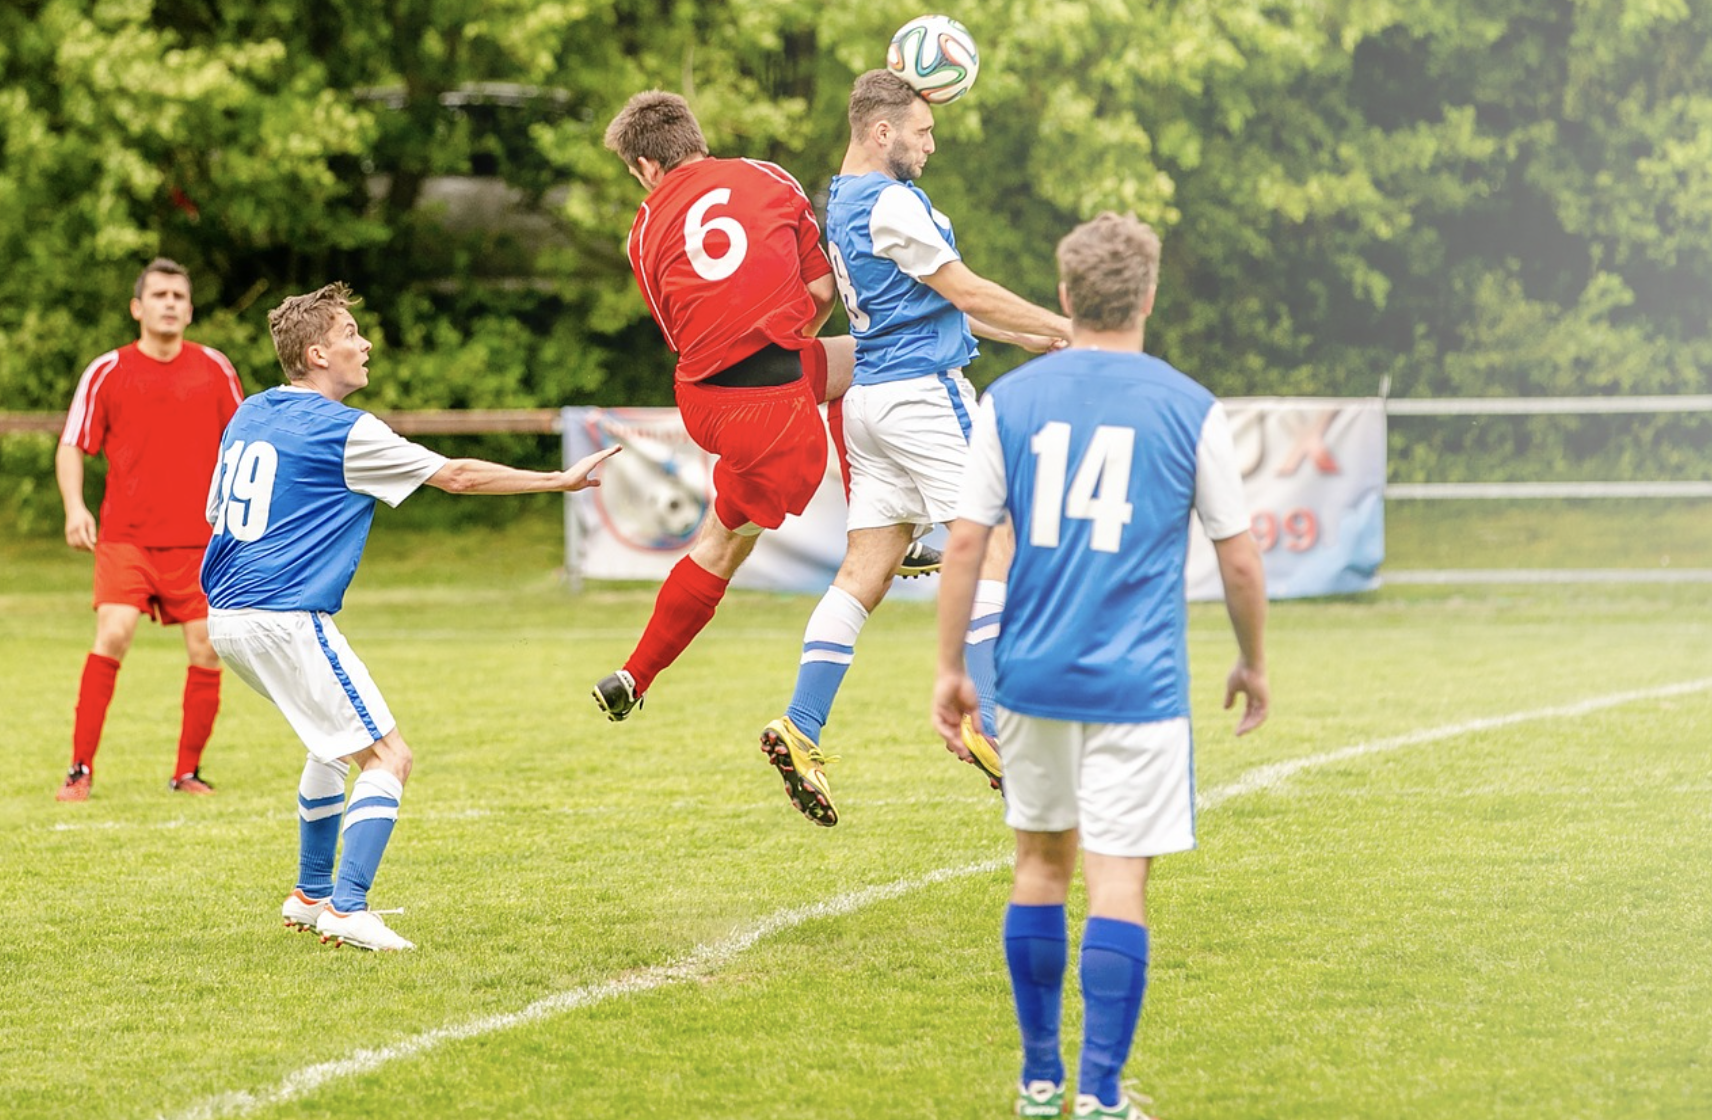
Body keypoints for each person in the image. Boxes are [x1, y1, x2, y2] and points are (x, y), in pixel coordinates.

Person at [930, 213, 1270, 1119]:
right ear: (1149, 298)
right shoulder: (1188, 405)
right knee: (1118, 879)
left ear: (1069, 297)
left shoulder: (1012, 399)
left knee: (1038, 869)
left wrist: (950, 670)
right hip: (1140, 687)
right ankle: (1102, 1095)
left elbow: (965, 543)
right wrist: (1253, 661)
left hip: (1031, 675)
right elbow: (1239, 557)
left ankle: (1039, 1082)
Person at [200, 282, 618, 952]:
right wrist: (556, 480)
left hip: (226, 617)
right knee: (389, 757)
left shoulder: (251, 413)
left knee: (329, 746)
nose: (363, 344)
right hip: (283, 615)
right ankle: (348, 906)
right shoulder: (346, 429)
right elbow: (456, 477)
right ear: (315, 354)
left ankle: (310, 895)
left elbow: (217, 517)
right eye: (349, 334)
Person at [759, 70, 1072, 827]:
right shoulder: (895, 202)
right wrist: (1071, 330)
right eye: (923, 133)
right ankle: (991, 722)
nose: (931, 145)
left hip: (869, 403)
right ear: (881, 132)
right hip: (923, 397)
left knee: (864, 570)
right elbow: (963, 290)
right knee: (997, 542)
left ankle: (801, 725)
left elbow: (932, 301)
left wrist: (1026, 333)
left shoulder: (844, 199)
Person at [590, 90, 940, 728]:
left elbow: (684, 332)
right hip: (775, 404)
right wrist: (787, 329)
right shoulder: (767, 178)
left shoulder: (642, 232)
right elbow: (819, 288)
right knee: (723, 540)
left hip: (708, 400)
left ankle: (632, 676)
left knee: (862, 364)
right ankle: (888, 524)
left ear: (645, 167)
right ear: (696, 137)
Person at [54, 258, 246, 802]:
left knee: (207, 647)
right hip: (126, 536)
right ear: (138, 308)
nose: (169, 303)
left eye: (179, 296)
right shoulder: (108, 370)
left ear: (190, 309)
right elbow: (72, 443)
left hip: (200, 541)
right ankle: (79, 769)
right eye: (159, 294)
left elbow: (243, 444)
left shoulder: (214, 368)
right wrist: (75, 507)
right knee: (113, 633)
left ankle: (187, 771)